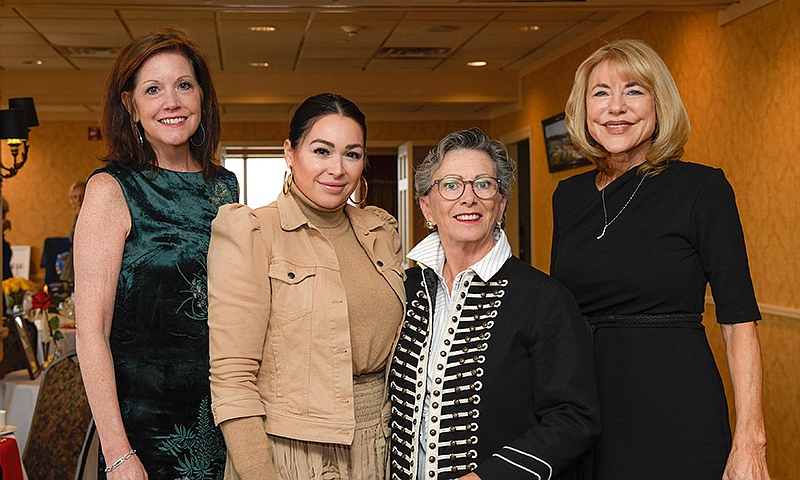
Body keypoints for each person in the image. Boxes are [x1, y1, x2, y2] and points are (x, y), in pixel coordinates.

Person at [551, 39, 770, 480]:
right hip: (586, 411)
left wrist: (750, 438)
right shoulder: (568, 197)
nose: (616, 108)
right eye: (601, 93)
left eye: (634, 91)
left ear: (659, 103)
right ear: (583, 109)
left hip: (676, 408)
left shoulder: (702, 189)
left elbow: (738, 319)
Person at [207, 92, 405, 480]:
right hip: (289, 453)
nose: (338, 169)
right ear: (290, 153)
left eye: (352, 154)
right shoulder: (253, 233)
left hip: (381, 446)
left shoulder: (381, 231)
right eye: (321, 151)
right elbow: (232, 378)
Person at [389, 127, 600, 480]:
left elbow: (574, 417)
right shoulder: (403, 290)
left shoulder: (545, 298)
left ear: (501, 204)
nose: (468, 198)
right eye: (451, 185)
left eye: (483, 184)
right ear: (427, 205)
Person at [74, 27, 238, 479]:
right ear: (131, 106)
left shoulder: (224, 187)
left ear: (202, 95)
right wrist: (119, 452)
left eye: (184, 84)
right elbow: (90, 334)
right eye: (153, 89)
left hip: (224, 418)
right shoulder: (112, 189)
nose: (172, 101)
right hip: (145, 431)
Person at [60, 179, 86, 283]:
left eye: (82, 196)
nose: (79, 200)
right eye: (75, 197)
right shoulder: (77, 217)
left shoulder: (92, 217)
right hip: (75, 259)